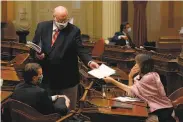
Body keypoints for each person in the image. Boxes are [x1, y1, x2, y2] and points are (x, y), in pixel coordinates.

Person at [31, 6, 99, 110]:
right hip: (47, 78)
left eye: (65, 19)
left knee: (68, 112)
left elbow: (80, 49)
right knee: (47, 110)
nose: (63, 22)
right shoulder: (42, 27)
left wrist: (89, 62)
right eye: (60, 20)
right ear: (54, 17)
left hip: (67, 79)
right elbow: (34, 47)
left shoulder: (74, 30)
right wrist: (37, 55)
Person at [103, 54, 175, 122]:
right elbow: (131, 94)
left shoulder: (150, 77)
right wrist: (130, 77)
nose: (134, 65)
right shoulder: (138, 77)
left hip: (162, 111)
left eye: (136, 63)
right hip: (150, 108)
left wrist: (112, 81)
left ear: (143, 66)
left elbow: (130, 89)